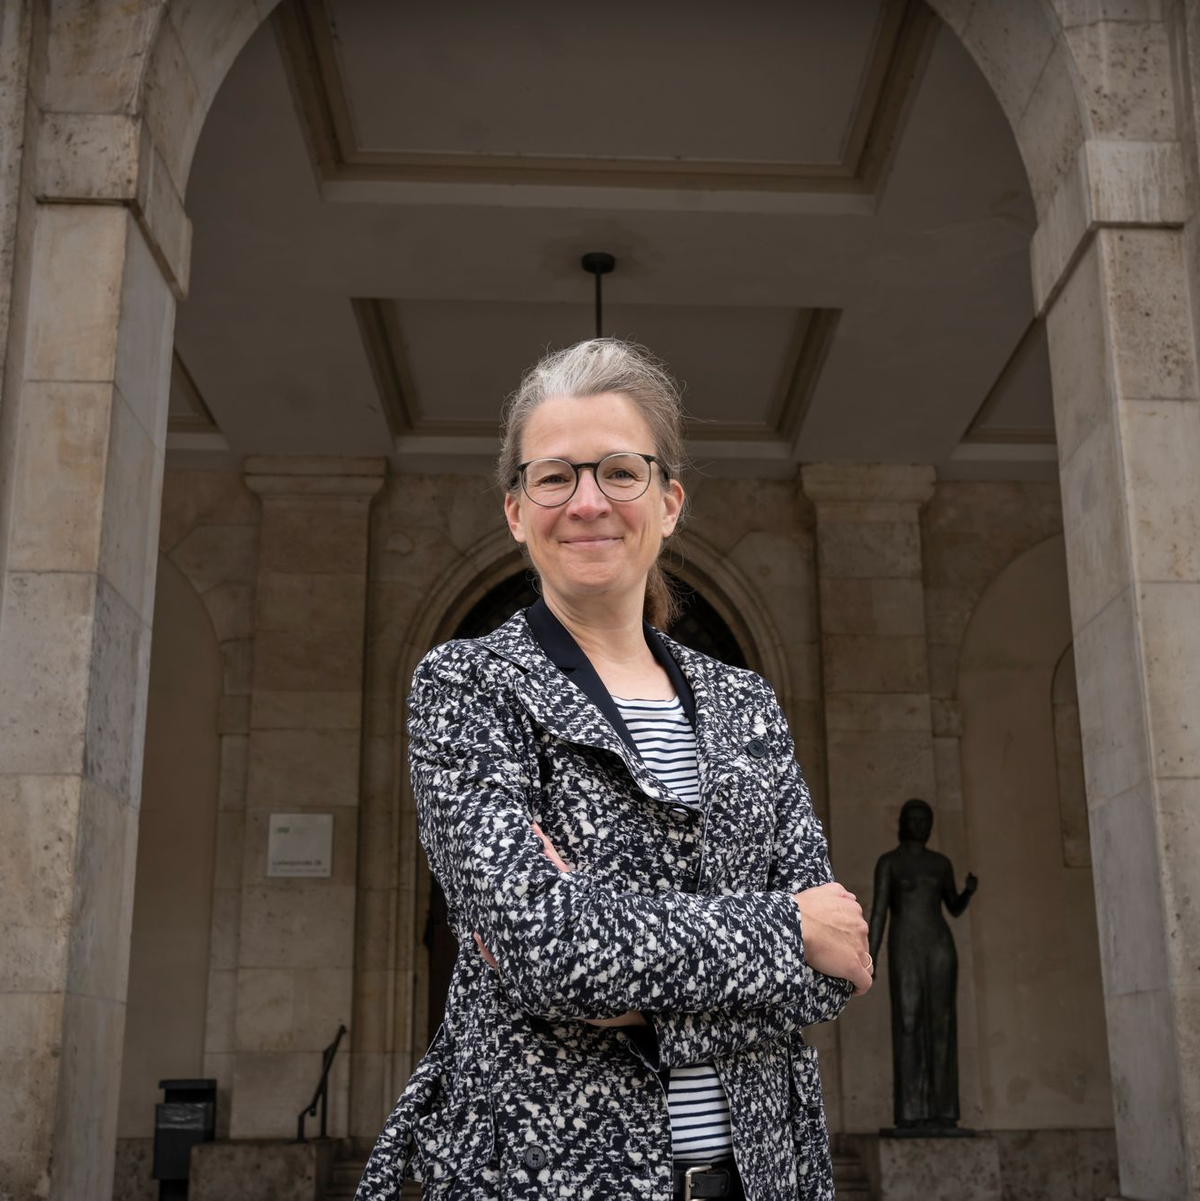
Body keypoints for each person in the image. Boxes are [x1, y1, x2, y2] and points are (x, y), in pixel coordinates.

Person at [356, 340, 871, 1201]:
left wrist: (614, 951)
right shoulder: (465, 685)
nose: (588, 501)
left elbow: (841, 962)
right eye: (555, 476)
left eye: (620, 472)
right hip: (544, 1175)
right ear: (517, 510)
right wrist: (784, 928)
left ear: (668, 502)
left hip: (762, 1176)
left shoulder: (744, 702)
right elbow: (549, 949)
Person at [867, 798, 977, 1132]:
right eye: (912, 819)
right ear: (902, 823)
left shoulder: (940, 864)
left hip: (939, 947)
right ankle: (911, 1113)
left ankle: (944, 1112)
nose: (918, 825)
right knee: (909, 1021)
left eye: (923, 819)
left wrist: (968, 892)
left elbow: (953, 906)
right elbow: (878, 912)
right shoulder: (889, 862)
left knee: (942, 1024)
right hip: (906, 947)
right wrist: (867, 958)